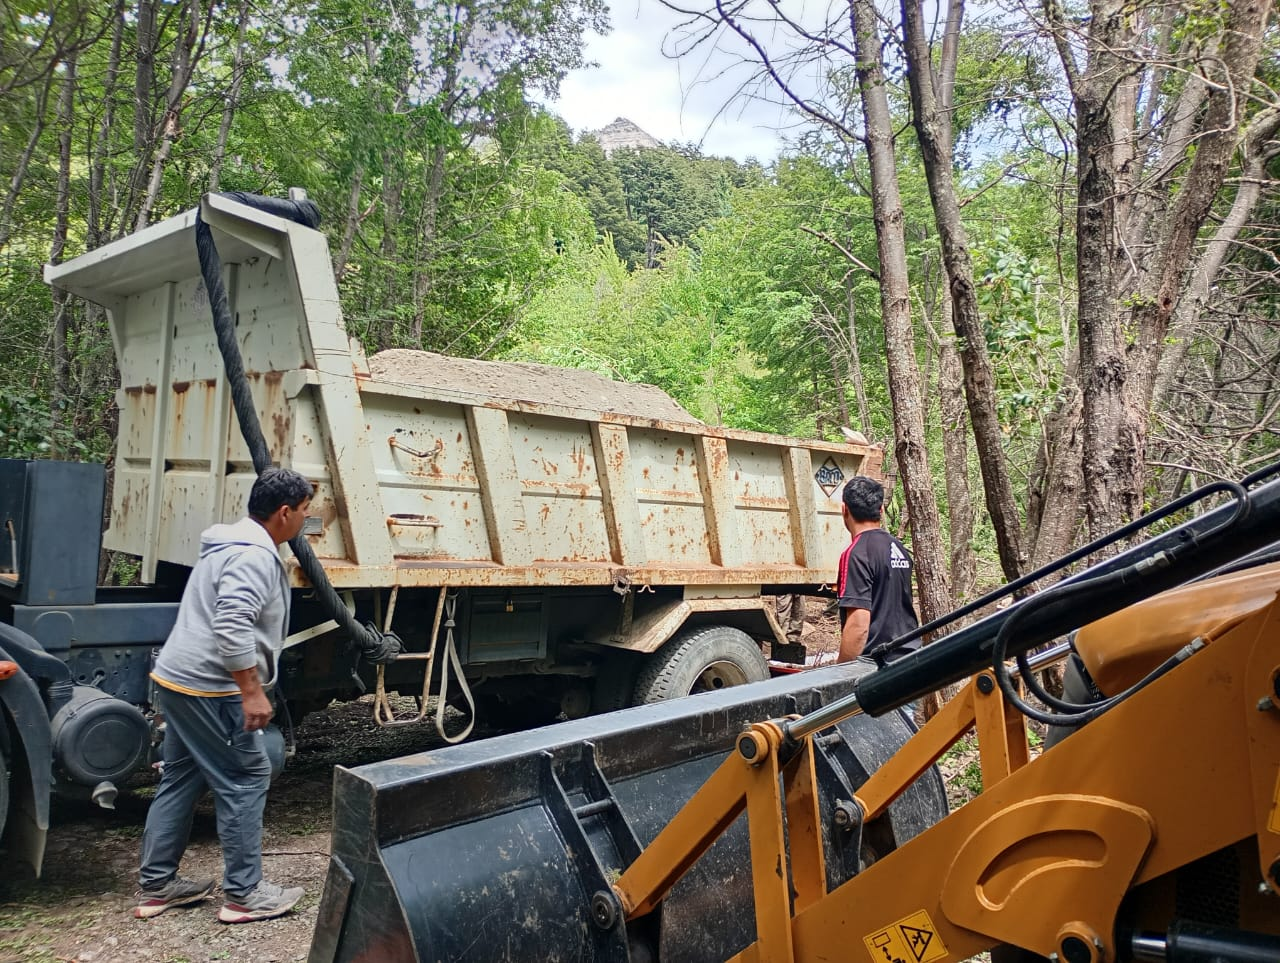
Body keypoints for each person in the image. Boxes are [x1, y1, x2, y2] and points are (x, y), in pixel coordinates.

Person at [135, 468, 313, 923]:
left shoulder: (228, 543)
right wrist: (250, 692)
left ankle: (159, 885)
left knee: (181, 775)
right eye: (305, 512)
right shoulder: (253, 556)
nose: (307, 522)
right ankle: (245, 894)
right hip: (210, 688)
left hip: (178, 678)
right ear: (284, 512)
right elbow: (232, 625)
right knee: (246, 776)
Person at [836, 475, 920, 666]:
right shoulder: (899, 549)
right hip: (910, 660)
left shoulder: (856, 553)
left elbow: (859, 624)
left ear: (844, 510)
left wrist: (840, 671)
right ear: (881, 510)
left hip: (877, 669)